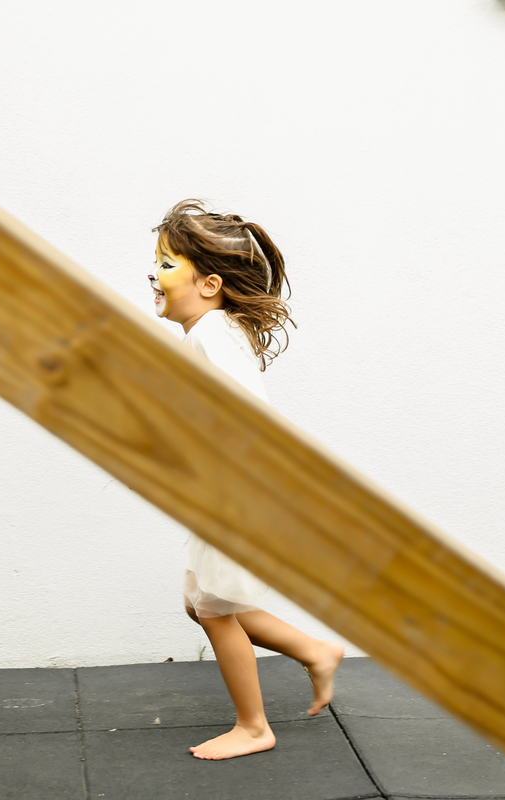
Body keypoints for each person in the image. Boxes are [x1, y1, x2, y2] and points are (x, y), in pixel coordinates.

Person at [148, 199, 345, 760]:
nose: (152, 275)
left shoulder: (209, 333)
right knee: (202, 601)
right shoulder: (218, 330)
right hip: (231, 491)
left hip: (233, 494)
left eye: (166, 265)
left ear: (209, 284)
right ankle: (315, 651)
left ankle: (254, 727)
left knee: (214, 610)